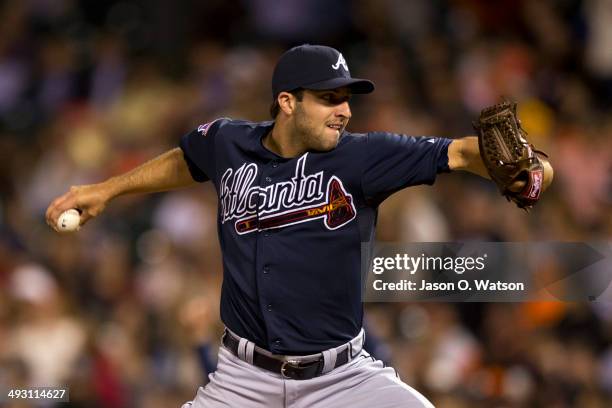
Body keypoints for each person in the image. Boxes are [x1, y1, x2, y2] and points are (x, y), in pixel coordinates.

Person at [46, 44, 553, 407]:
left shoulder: (365, 157)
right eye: (330, 99)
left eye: (348, 98)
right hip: (242, 379)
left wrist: (533, 167)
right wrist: (105, 189)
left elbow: (463, 152)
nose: (345, 111)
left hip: (344, 381)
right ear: (287, 102)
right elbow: (187, 159)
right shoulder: (229, 143)